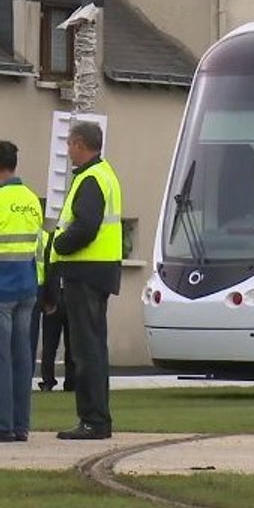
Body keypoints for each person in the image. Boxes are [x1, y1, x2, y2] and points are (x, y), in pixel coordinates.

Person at [50, 122, 123, 440]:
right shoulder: (104, 173)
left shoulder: (91, 178)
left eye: (69, 144)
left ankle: (93, 420)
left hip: (86, 271)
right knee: (93, 347)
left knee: (86, 349)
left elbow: (86, 226)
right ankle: (97, 418)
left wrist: (58, 243)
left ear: (80, 144)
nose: (67, 151)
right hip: (99, 271)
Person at [0, 140, 43, 441]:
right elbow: (39, 249)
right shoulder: (31, 200)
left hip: (2, 289)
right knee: (22, 357)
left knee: (2, 359)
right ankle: (21, 425)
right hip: (28, 288)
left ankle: (3, 426)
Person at [38, 229, 74, 393]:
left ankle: (71, 381)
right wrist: (45, 300)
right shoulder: (51, 241)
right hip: (54, 299)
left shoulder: (76, 240)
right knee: (49, 344)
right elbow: (45, 270)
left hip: (72, 297)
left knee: (72, 344)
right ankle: (47, 380)